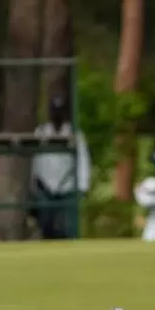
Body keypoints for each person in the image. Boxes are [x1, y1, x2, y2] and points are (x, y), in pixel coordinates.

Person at [31, 94, 91, 239]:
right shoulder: (40, 132)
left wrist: (83, 185)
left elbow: (83, 160)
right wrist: (33, 183)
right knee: (46, 226)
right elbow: (34, 160)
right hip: (45, 186)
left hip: (67, 186)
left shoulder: (75, 133)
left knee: (68, 227)